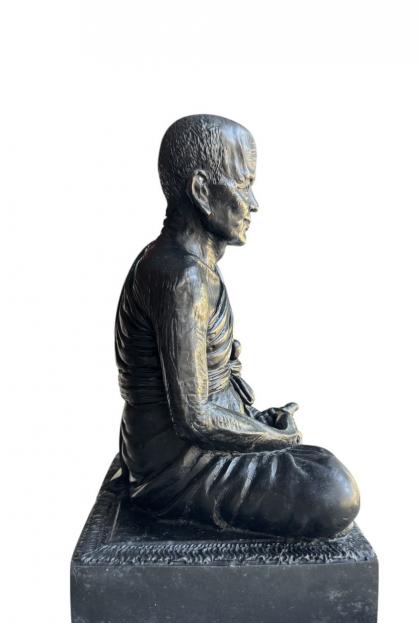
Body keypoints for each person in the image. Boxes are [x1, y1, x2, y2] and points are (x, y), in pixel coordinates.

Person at [115, 114, 360, 538]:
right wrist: (278, 440)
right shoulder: (183, 278)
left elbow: (207, 390)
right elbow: (195, 419)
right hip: (178, 469)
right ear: (201, 190)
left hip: (193, 449)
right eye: (243, 184)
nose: (254, 202)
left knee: (320, 467)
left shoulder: (189, 266)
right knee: (334, 491)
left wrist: (257, 421)